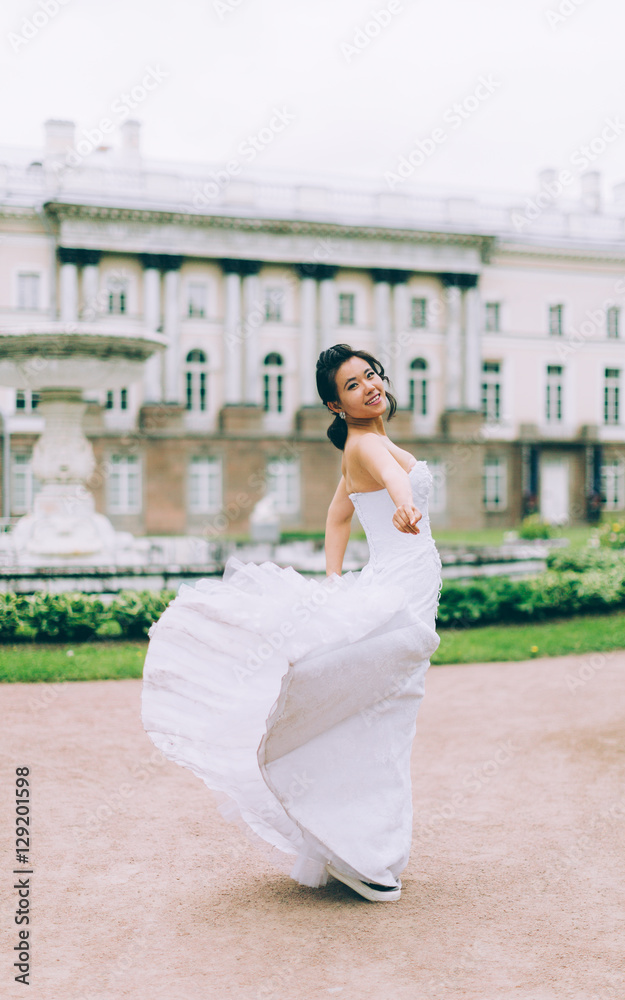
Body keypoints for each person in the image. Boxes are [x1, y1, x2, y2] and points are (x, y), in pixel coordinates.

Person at [141, 343, 442, 903]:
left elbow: (338, 513)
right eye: (353, 385)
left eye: (371, 375)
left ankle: (353, 843)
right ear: (335, 404)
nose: (370, 386)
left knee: (383, 710)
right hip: (402, 591)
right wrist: (405, 505)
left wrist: (333, 580)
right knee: (386, 714)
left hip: (402, 584)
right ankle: (364, 851)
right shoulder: (368, 444)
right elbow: (392, 485)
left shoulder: (364, 442)